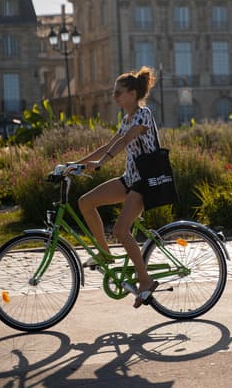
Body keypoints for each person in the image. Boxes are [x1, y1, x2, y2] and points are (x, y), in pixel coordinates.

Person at [75, 66, 160, 308]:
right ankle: (105, 253)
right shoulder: (126, 119)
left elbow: (124, 141)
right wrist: (76, 165)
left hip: (145, 182)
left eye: (118, 93)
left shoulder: (143, 115)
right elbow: (109, 145)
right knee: (85, 202)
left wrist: (101, 163)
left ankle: (145, 281)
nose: (114, 97)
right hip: (130, 179)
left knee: (121, 230)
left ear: (132, 94)